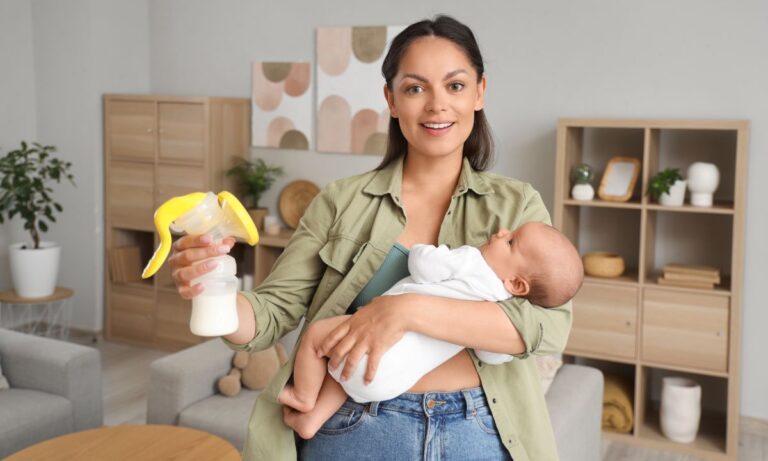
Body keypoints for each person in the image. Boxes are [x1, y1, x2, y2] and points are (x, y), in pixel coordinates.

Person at [170, 15, 573, 461]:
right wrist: (212, 285)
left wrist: (406, 310)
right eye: (415, 88)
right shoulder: (341, 201)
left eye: (455, 86)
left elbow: (547, 327)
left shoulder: (516, 207)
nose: (437, 105)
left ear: (479, 92)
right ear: (391, 99)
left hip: (476, 428)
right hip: (353, 426)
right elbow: (270, 314)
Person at [277, 221, 583, 439]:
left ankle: (304, 399)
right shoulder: (497, 309)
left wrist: (432, 249)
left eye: (511, 241)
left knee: (319, 337)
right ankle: (312, 420)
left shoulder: (472, 261)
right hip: (389, 383)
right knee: (345, 370)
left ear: (517, 284)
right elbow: (491, 356)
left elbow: (421, 264)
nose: (502, 231)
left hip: (371, 352)